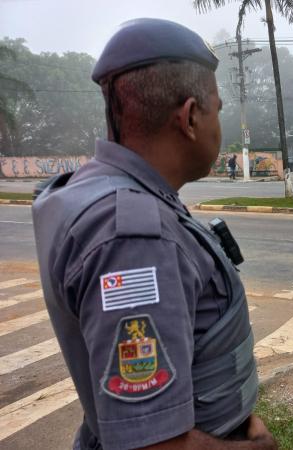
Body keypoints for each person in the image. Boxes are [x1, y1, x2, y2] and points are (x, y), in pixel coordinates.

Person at [31, 18, 276, 450]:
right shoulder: (134, 234)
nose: (220, 124)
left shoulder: (98, 187)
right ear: (190, 118)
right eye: (217, 110)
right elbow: (150, 441)